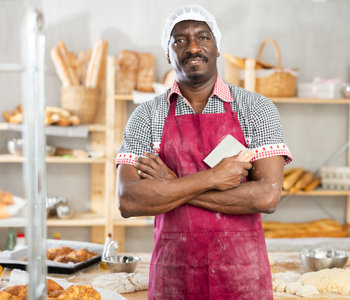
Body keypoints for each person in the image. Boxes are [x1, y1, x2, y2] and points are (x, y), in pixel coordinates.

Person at [116, 4, 292, 299]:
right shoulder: (146, 116)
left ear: (217, 47)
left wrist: (172, 186)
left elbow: (267, 196)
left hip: (242, 278)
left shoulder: (256, 109)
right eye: (180, 39)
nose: (193, 47)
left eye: (203, 37)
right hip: (174, 278)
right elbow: (129, 200)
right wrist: (213, 178)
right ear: (167, 52)